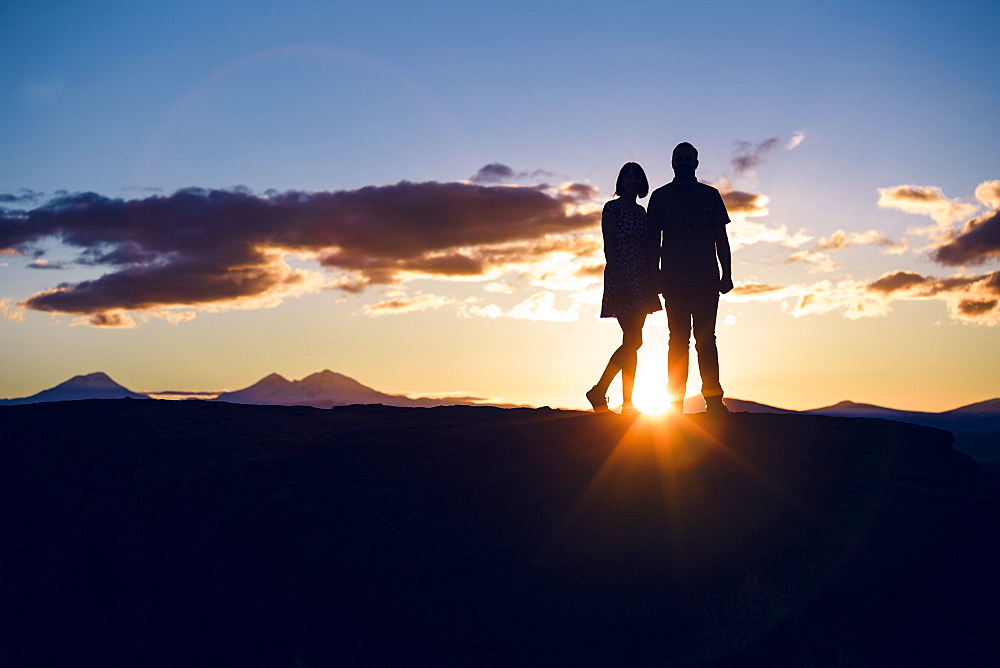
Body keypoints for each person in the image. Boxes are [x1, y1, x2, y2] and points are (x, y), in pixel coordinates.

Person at [647, 143, 733, 415]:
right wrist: (655, 276)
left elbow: (721, 238)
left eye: (688, 159)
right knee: (677, 340)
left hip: (706, 279)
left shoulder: (711, 196)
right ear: (672, 163)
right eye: (679, 159)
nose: (683, 163)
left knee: (707, 341)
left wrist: (727, 273)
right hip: (673, 281)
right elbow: (652, 242)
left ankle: (714, 401)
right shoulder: (660, 198)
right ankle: (674, 403)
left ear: (696, 163)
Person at [586, 162, 662, 414]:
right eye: (628, 176)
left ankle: (622, 400)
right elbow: (609, 246)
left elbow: (651, 248)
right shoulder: (612, 208)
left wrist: (653, 278)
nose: (632, 181)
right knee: (634, 339)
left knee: (632, 340)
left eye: (636, 177)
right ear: (621, 181)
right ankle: (603, 392)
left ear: (642, 183)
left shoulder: (642, 213)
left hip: (641, 279)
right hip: (621, 276)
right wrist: (618, 279)